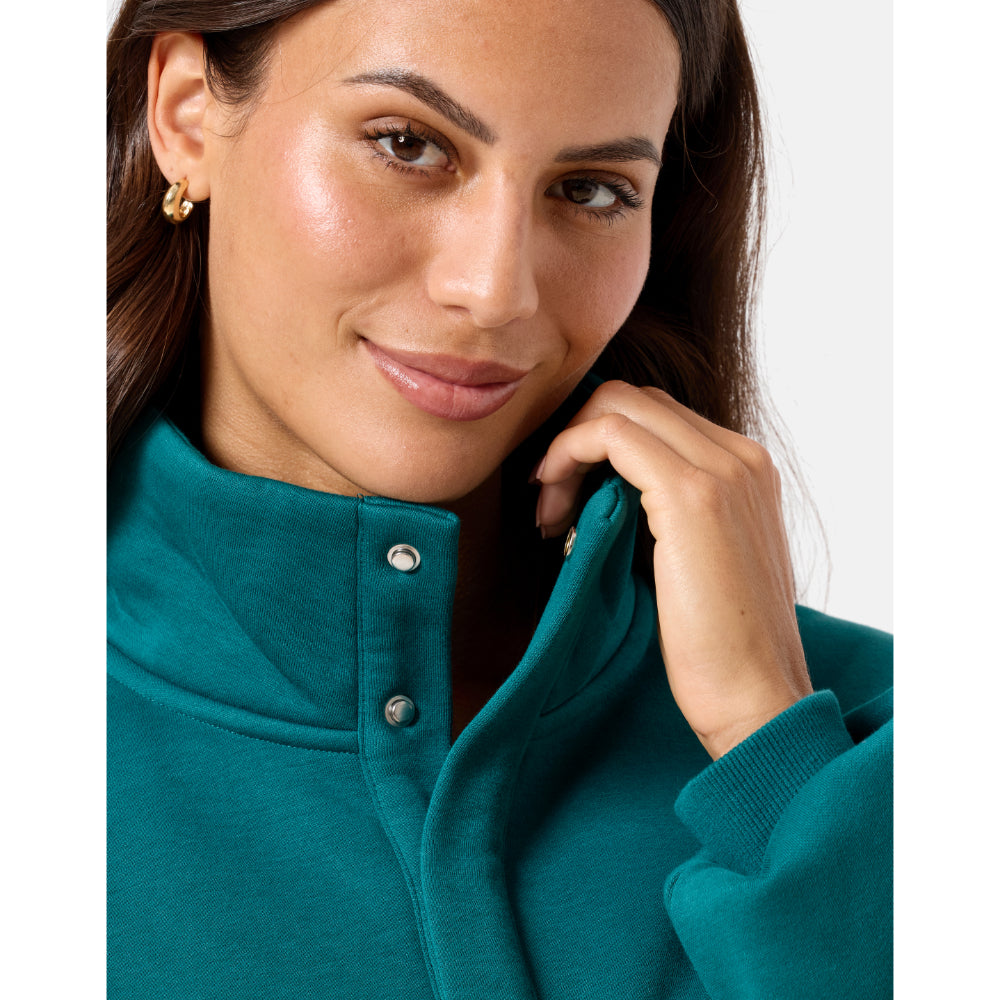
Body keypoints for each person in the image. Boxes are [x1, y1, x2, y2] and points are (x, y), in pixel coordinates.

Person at [106, 0, 892, 996]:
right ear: (185, 113)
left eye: (590, 189)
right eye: (406, 144)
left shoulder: (878, 747)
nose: (496, 289)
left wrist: (773, 758)